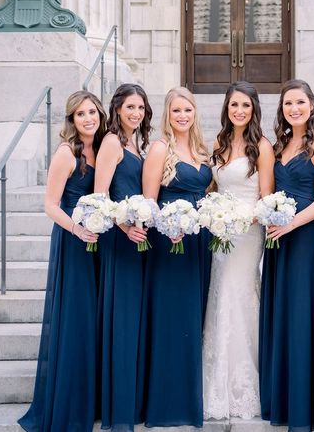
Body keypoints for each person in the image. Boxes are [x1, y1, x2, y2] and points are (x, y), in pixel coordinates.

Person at [18, 90, 107, 432]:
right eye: (81, 114)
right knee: (76, 319)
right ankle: (69, 403)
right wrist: (78, 229)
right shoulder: (67, 154)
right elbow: (50, 205)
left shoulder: (101, 150)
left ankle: (93, 397)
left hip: (99, 241)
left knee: (95, 319)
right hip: (74, 242)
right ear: (71, 120)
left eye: (92, 113)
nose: (88, 119)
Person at [259, 79, 314, 432]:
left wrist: (292, 223)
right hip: (280, 239)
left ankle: (310, 403)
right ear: (282, 109)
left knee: (305, 315)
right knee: (285, 314)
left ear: (311, 105)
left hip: (307, 239)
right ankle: (285, 398)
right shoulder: (280, 145)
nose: (294, 109)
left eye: (300, 102)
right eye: (288, 103)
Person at [203, 81, 275, 420]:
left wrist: (240, 219)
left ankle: (247, 385)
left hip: (247, 234)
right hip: (221, 233)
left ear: (254, 109)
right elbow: (215, 185)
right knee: (219, 296)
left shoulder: (261, 146)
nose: (239, 111)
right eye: (234, 105)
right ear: (226, 108)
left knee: (239, 293)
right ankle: (215, 383)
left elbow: (266, 198)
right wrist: (215, 215)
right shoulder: (218, 143)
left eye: (245, 105)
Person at [141, 87, 212, 427]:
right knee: (174, 319)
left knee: (194, 319)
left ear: (195, 112)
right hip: (172, 244)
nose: (182, 116)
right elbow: (149, 201)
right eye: (175, 111)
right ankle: (169, 403)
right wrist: (169, 228)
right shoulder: (160, 149)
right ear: (167, 116)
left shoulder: (201, 149)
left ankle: (189, 394)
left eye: (187, 110)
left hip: (200, 245)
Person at [94, 83, 152, 431]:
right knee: (124, 321)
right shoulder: (112, 142)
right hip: (121, 240)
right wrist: (124, 225)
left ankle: (132, 401)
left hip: (139, 239)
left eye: (141, 108)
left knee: (135, 320)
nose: (136, 113)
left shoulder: (136, 143)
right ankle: (120, 410)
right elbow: (100, 195)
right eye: (130, 107)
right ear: (117, 109)